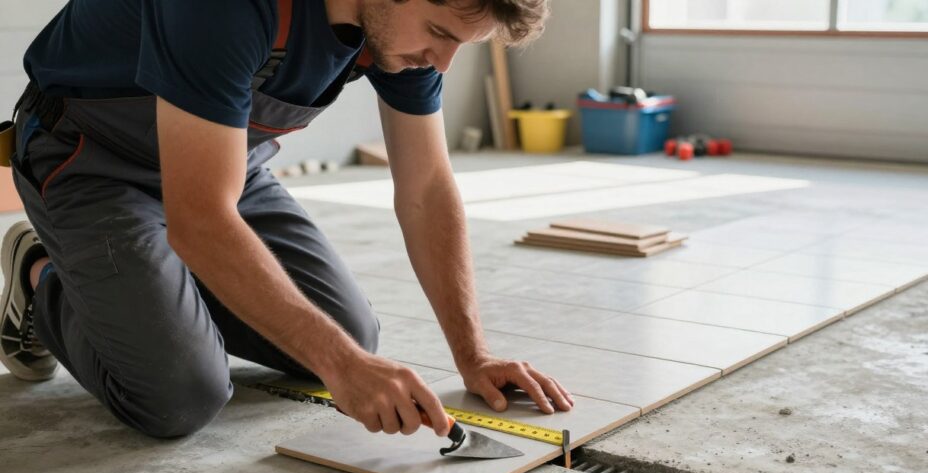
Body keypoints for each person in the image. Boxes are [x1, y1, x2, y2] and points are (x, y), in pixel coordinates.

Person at [1, 0, 573, 439]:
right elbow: (199, 218)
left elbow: (425, 186)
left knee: (351, 335)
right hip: (94, 163)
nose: (441, 61)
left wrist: (471, 354)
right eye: (441, 33)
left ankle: (154, 283)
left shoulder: (398, 29)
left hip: (226, 172)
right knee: (181, 395)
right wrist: (344, 365)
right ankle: (40, 276)